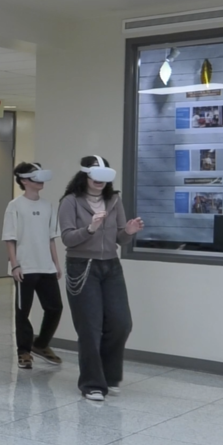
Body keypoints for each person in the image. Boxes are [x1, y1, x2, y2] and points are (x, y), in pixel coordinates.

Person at [58, 155, 144, 402]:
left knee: (121, 323)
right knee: (90, 327)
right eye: (96, 177)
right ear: (85, 176)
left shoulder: (113, 200)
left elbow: (119, 238)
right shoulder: (70, 202)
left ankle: (109, 375)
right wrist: (90, 228)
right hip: (82, 267)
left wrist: (128, 232)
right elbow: (67, 238)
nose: (100, 182)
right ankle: (92, 384)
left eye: (104, 178)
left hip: (111, 266)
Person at [3, 162, 65, 371]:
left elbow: (51, 238)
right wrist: (15, 266)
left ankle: (40, 344)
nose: (40, 182)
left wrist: (56, 264)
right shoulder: (15, 205)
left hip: (46, 267)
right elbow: (10, 239)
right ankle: (24, 352)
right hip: (24, 267)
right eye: (35, 178)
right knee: (23, 311)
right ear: (24, 180)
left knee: (55, 308)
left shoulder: (48, 205)